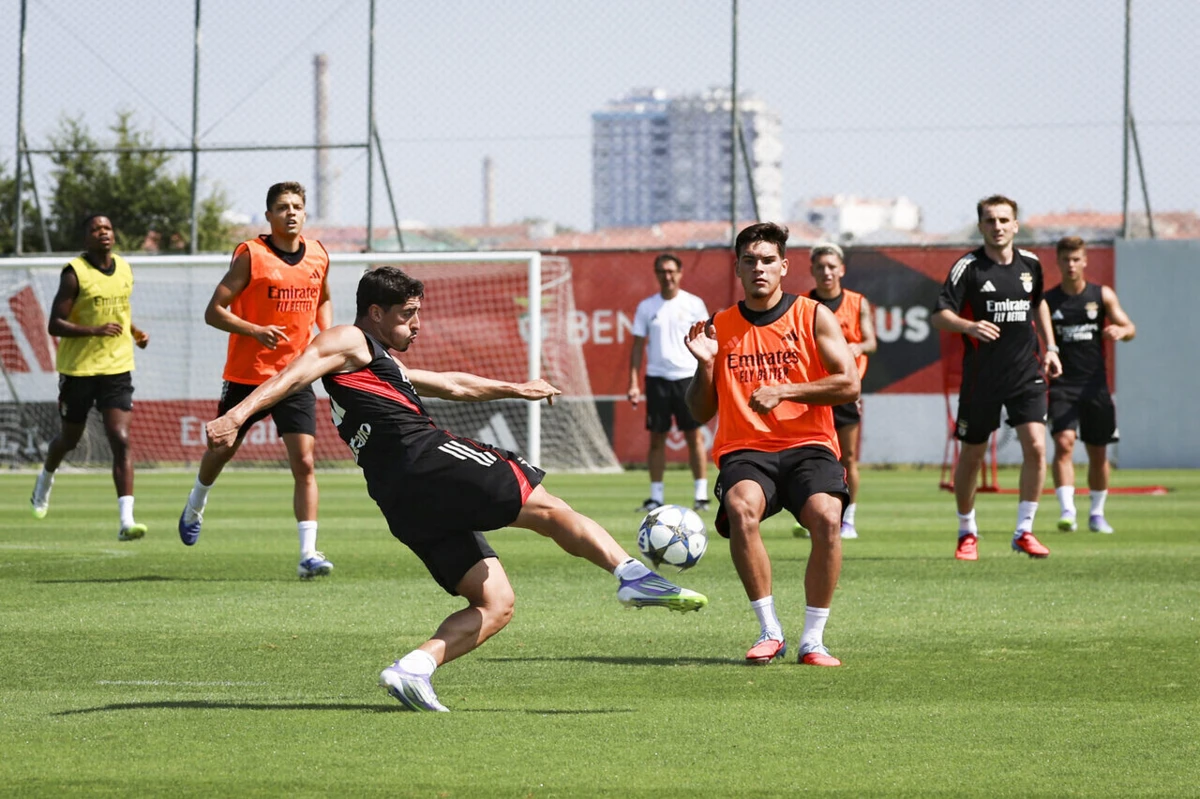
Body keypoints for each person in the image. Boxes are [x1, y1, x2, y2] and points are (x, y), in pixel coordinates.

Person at [204, 266, 707, 711]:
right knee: (545, 504)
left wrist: (516, 388)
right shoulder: (346, 340)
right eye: (407, 314)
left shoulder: (381, 361)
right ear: (374, 313)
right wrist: (237, 414)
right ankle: (631, 574)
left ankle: (414, 668)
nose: (416, 323)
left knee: (496, 603)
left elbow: (452, 384)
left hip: (400, 498)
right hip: (425, 459)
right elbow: (294, 374)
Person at [684, 222, 859, 667]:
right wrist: (705, 366)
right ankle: (769, 630)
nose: (759, 268)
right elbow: (699, 412)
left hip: (809, 444)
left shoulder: (812, 315)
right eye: (750, 261)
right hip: (746, 449)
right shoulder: (719, 326)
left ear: (784, 266)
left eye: (767, 261)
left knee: (826, 516)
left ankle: (813, 640)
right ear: (738, 267)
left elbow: (849, 383)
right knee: (742, 509)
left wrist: (786, 391)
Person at [177, 181, 335, 579]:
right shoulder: (252, 255)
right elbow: (214, 312)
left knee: (304, 462)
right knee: (222, 447)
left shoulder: (318, 254)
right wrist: (254, 330)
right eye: (282, 207)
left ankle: (308, 554)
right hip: (248, 377)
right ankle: (196, 502)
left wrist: (324, 337)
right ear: (268, 216)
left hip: (294, 376)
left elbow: (324, 298)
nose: (291, 213)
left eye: (297, 206)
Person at [932, 194, 1062, 561]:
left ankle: (1024, 530)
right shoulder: (968, 268)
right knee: (972, 455)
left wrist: (1051, 348)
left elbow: (1039, 303)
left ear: (1016, 225)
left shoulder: (1031, 264)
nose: (998, 227)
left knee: (1037, 447)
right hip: (982, 378)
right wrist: (969, 325)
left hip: (1026, 372)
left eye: (1004, 220)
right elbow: (939, 314)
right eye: (990, 221)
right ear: (981, 226)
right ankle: (966, 531)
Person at [29, 214, 150, 540]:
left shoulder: (124, 268)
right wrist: (94, 330)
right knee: (68, 440)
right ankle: (45, 481)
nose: (103, 233)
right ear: (86, 237)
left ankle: (126, 521)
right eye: (96, 229)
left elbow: (120, 314)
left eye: (108, 227)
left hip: (117, 367)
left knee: (120, 439)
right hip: (79, 370)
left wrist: (135, 332)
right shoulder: (74, 274)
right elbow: (55, 324)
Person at [1046, 237, 1136, 534]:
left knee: (1098, 452)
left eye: (1076, 259)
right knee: (1063, 443)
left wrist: (1121, 330)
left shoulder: (1101, 295)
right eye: (1065, 260)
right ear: (1058, 262)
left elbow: (1130, 328)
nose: (1071, 265)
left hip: (1095, 386)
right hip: (1062, 385)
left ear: (1085, 261)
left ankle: (1096, 514)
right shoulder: (1048, 301)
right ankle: (1067, 511)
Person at [793, 242, 877, 540]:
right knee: (807, 455)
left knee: (848, 457)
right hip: (813, 391)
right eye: (821, 267)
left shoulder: (856, 302)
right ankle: (811, 514)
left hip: (844, 391)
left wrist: (857, 346)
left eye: (832, 266)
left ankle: (848, 519)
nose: (827, 272)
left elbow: (871, 341)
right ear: (812, 271)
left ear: (841, 270)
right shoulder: (801, 304)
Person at [628, 253, 711, 512]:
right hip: (657, 379)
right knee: (656, 439)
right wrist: (633, 383)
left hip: (688, 378)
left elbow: (707, 340)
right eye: (663, 271)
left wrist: (707, 375)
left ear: (680, 273)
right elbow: (637, 346)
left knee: (694, 437)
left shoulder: (694, 304)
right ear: (656, 274)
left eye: (672, 271)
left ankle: (701, 495)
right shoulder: (647, 307)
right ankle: (656, 497)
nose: (668, 276)